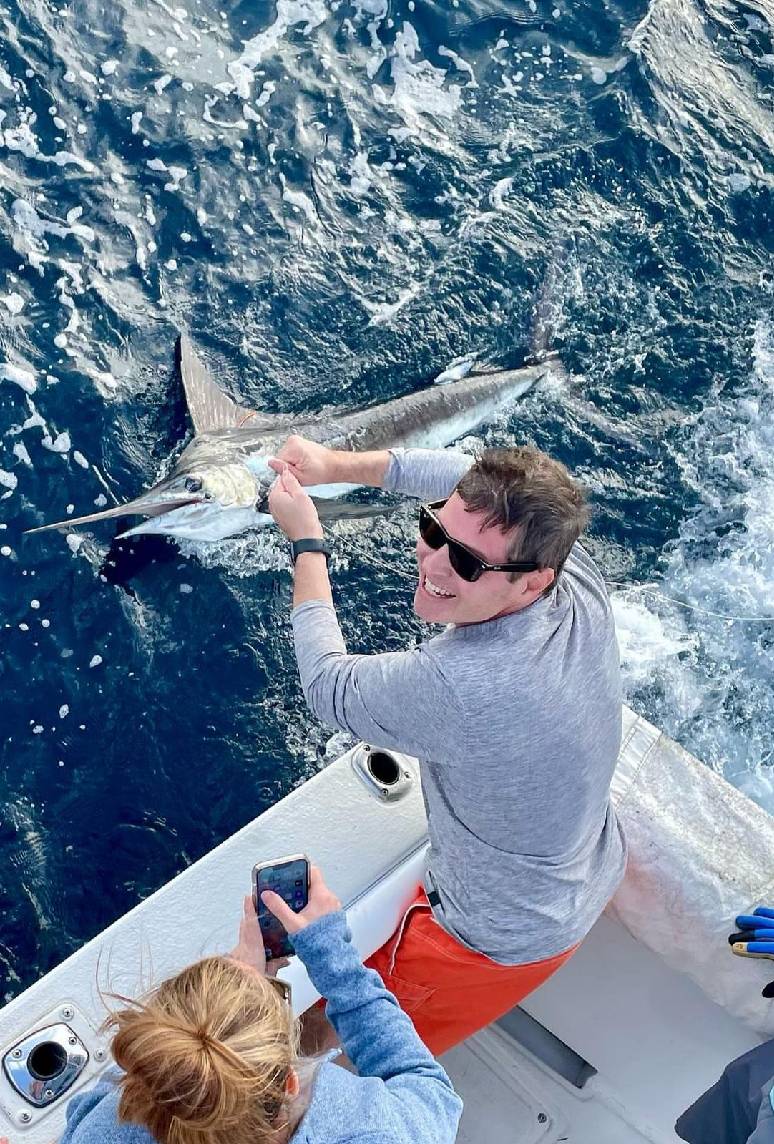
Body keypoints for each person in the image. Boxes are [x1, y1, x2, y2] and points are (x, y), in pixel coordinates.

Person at [267, 438, 627, 1056]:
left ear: (531, 583)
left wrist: (307, 542)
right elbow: (462, 477)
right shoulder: (569, 571)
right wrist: (334, 466)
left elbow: (328, 687)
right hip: (583, 863)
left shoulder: (462, 684)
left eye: (465, 563)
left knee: (354, 1042)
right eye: (433, 530)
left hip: (488, 939)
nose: (432, 563)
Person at [58, 866, 462, 1144]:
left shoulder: (104, 1130)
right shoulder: (371, 1131)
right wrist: (334, 961)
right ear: (289, 1083)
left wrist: (238, 997)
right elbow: (430, 1092)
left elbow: (98, 1105)